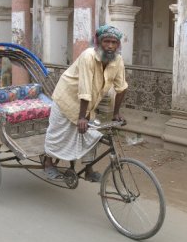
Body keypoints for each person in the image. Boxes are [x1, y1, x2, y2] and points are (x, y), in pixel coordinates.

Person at [43, 24, 128, 182]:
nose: (110, 46)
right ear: (98, 42)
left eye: (114, 42)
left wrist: (116, 113)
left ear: (118, 45)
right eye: (106, 41)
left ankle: (88, 170)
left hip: (87, 104)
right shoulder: (88, 56)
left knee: (91, 137)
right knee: (59, 135)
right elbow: (85, 88)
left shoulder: (117, 60)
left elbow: (121, 87)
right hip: (66, 99)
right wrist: (81, 118)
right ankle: (48, 163)